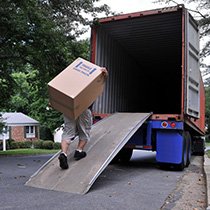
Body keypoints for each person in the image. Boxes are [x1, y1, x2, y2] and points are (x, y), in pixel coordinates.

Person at [58, 68, 108, 169]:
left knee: (68, 132)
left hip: (68, 107)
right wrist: (105, 73)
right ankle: (79, 151)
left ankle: (63, 153)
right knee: (85, 131)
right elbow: (101, 80)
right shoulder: (88, 82)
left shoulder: (68, 82)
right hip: (84, 108)